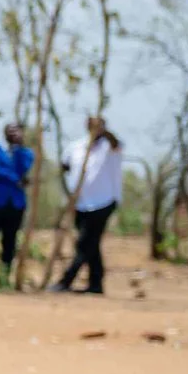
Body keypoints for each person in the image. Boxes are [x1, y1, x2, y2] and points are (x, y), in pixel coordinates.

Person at [53, 114, 123, 296]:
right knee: (92, 244)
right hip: (81, 203)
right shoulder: (76, 147)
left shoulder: (111, 147)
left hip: (104, 202)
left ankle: (66, 281)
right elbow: (64, 166)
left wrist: (103, 131)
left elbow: (116, 143)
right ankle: (96, 284)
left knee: (84, 244)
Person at [0, 121, 34, 289]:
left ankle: (3, 280)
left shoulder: (25, 153)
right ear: (5, 132)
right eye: (11, 130)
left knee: (9, 243)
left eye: (18, 130)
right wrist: (15, 179)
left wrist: (18, 149)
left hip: (14, 205)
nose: (15, 133)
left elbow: (24, 168)